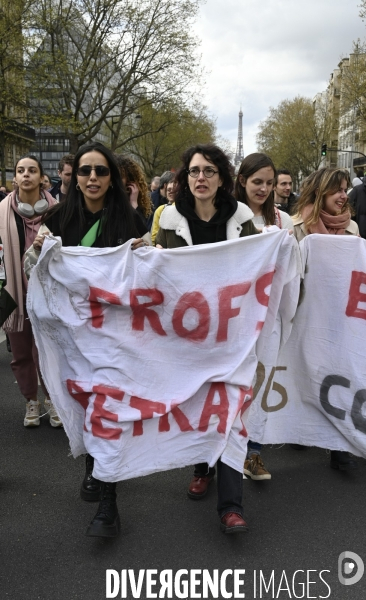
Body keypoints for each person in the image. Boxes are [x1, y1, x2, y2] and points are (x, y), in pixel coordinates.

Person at [32, 142, 150, 538]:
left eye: (101, 171)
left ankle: (108, 505)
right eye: (85, 171)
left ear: (112, 178)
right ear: (75, 176)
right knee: (87, 407)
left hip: (116, 337)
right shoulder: (57, 219)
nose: (93, 178)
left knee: (109, 411)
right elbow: (40, 274)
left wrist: (146, 253)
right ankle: (93, 468)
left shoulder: (131, 221)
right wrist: (38, 253)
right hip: (74, 337)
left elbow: (146, 278)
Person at [156, 143, 259, 534]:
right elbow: (158, 272)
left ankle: (231, 506)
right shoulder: (168, 219)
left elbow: (258, 264)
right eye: (195, 171)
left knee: (231, 413)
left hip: (232, 335)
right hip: (188, 337)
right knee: (200, 405)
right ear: (186, 178)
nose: (201, 178)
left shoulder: (243, 219)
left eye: (210, 171)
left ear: (222, 178)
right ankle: (202, 467)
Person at [291, 167, 359, 470]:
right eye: (337, 190)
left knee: (339, 376)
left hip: (341, 316)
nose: (344, 196)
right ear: (320, 193)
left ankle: (339, 447)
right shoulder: (296, 228)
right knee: (307, 372)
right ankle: (301, 427)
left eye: (345, 189)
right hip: (305, 314)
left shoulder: (353, 229)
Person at [234, 153, 293, 481]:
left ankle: (253, 453)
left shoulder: (283, 221)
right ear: (242, 181)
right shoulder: (225, 217)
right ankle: (217, 456)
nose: (265, 189)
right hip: (232, 317)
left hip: (267, 316)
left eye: (270, 183)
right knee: (230, 386)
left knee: (260, 385)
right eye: (258, 182)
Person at [0, 155, 61, 427]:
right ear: (15, 178)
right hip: (15, 292)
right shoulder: (2, 210)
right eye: (21, 170)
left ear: (41, 178)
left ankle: (53, 399)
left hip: (48, 294)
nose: (26, 175)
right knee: (22, 351)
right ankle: (31, 402)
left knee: (49, 351)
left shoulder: (58, 211)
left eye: (32, 170)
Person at [114, 154, 153, 227]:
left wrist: (134, 204)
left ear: (128, 180)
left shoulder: (134, 203)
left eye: (120, 177)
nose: (115, 180)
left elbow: (142, 232)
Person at [151, 180, 176, 245]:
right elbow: (154, 233)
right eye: (168, 190)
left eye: (174, 189)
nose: (171, 191)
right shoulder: (160, 209)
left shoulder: (184, 208)